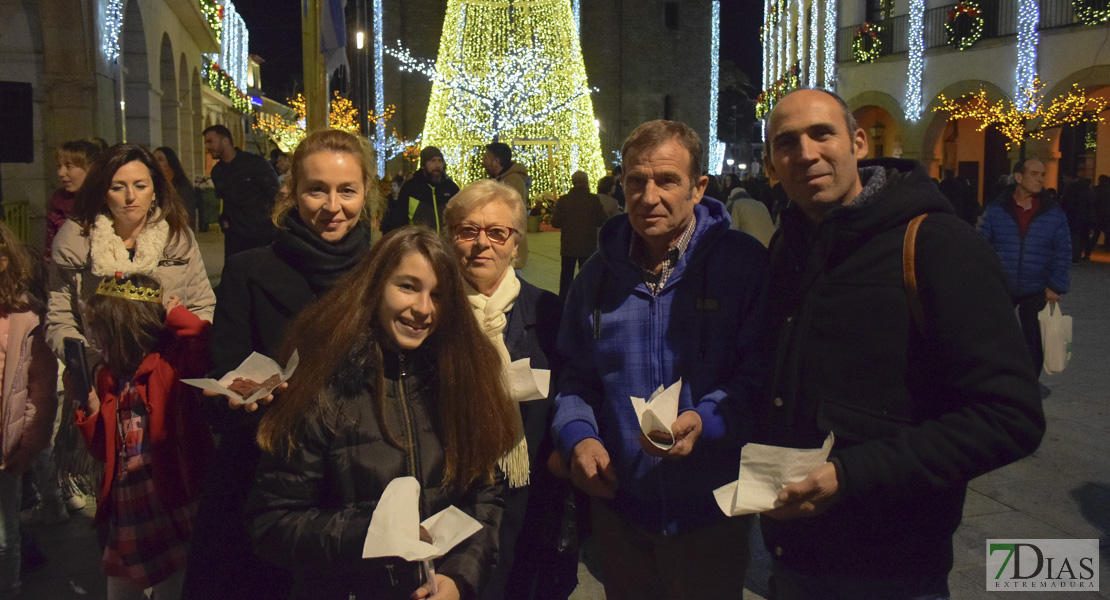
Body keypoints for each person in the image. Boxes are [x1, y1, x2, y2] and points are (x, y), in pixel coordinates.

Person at [759, 88, 1045, 598]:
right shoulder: (788, 247)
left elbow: (1011, 417)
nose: (805, 153)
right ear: (771, 164)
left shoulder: (937, 244)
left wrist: (849, 475)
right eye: (786, 143)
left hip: (892, 568)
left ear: (860, 143)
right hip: (794, 557)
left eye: (822, 133)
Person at [551, 120, 768, 600]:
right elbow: (574, 377)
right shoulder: (595, 275)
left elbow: (761, 375)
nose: (649, 196)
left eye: (667, 180)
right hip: (623, 512)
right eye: (635, 181)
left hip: (712, 512)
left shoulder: (742, 265)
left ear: (698, 187)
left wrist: (707, 419)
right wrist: (578, 437)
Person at [246, 227, 518, 600]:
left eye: (437, 295)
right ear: (375, 288)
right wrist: (373, 531)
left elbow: (485, 496)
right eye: (407, 286)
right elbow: (272, 522)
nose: (423, 308)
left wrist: (459, 577)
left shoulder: (461, 379)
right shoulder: (324, 386)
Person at [181, 129, 378, 600]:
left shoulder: (385, 270)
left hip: (362, 475)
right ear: (292, 192)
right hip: (270, 471)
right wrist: (240, 393)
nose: (333, 206)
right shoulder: (251, 269)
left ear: (365, 193)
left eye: (347, 190)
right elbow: (225, 369)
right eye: (317, 189)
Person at [443, 180, 577, 600]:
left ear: (516, 245)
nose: (481, 244)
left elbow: (573, 390)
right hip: (452, 499)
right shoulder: (431, 314)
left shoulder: (548, 312)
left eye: (497, 232)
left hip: (532, 495)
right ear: (450, 240)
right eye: (468, 231)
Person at [75, 274, 213, 600]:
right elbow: (103, 450)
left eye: (102, 328)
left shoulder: (172, 361)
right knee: (121, 588)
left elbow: (204, 339)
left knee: (172, 586)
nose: (96, 338)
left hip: (169, 494)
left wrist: (170, 312)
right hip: (129, 501)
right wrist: (91, 408)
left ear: (124, 326)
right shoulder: (110, 376)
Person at [47, 143, 216, 384]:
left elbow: (203, 305)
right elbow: (61, 320)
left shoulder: (178, 239)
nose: (130, 197)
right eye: (118, 187)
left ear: (155, 190)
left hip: (169, 376)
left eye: (140, 186)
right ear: (103, 193)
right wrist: (93, 368)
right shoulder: (75, 244)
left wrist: (184, 354)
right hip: (104, 379)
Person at [0, 221, 59, 600]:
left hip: (6, 450)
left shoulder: (24, 318)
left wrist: (30, 443)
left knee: (5, 538)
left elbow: (41, 389)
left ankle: (11, 588)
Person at [980, 159, 1071, 384]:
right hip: (1003, 284)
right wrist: (984, 279)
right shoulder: (997, 208)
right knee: (995, 334)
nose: (1041, 178)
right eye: (1034, 173)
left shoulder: (1053, 212)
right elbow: (982, 244)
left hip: (1037, 286)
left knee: (1034, 340)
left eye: (1042, 174)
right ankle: (996, 379)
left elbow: (1063, 250)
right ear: (1019, 178)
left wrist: (1056, 285)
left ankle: (1028, 384)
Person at [202, 124, 281, 259]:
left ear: (225, 140)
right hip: (235, 238)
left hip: (260, 235)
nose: (208, 147)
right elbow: (225, 201)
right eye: (206, 143)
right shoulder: (218, 172)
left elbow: (275, 194)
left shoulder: (255, 163)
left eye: (210, 141)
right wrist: (225, 222)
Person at [551, 171, 608, 298]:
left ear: (573, 182)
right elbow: (602, 220)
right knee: (587, 275)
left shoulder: (564, 200)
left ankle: (564, 303)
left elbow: (555, 222)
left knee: (566, 276)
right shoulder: (593, 200)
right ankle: (586, 300)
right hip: (588, 245)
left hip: (568, 245)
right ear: (586, 182)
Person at [45, 141, 102, 266]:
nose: (61, 173)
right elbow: (50, 251)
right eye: (59, 166)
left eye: (69, 166)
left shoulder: (108, 201)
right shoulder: (58, 202)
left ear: (91, 168)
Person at [383, 146, 459, 233]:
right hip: (419, 243)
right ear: (423, 165)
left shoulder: (451, 188)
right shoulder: (411, 188)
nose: (437, 165)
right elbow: (400, 220)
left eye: (440, 161)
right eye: (432, 161)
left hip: (446, 244)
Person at [154, 147, 196, 230]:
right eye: (153, 159)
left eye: (160, 159)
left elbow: (184, 217)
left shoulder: (182, 187)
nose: (155, 162)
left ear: (170, 164)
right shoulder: (151, 186)